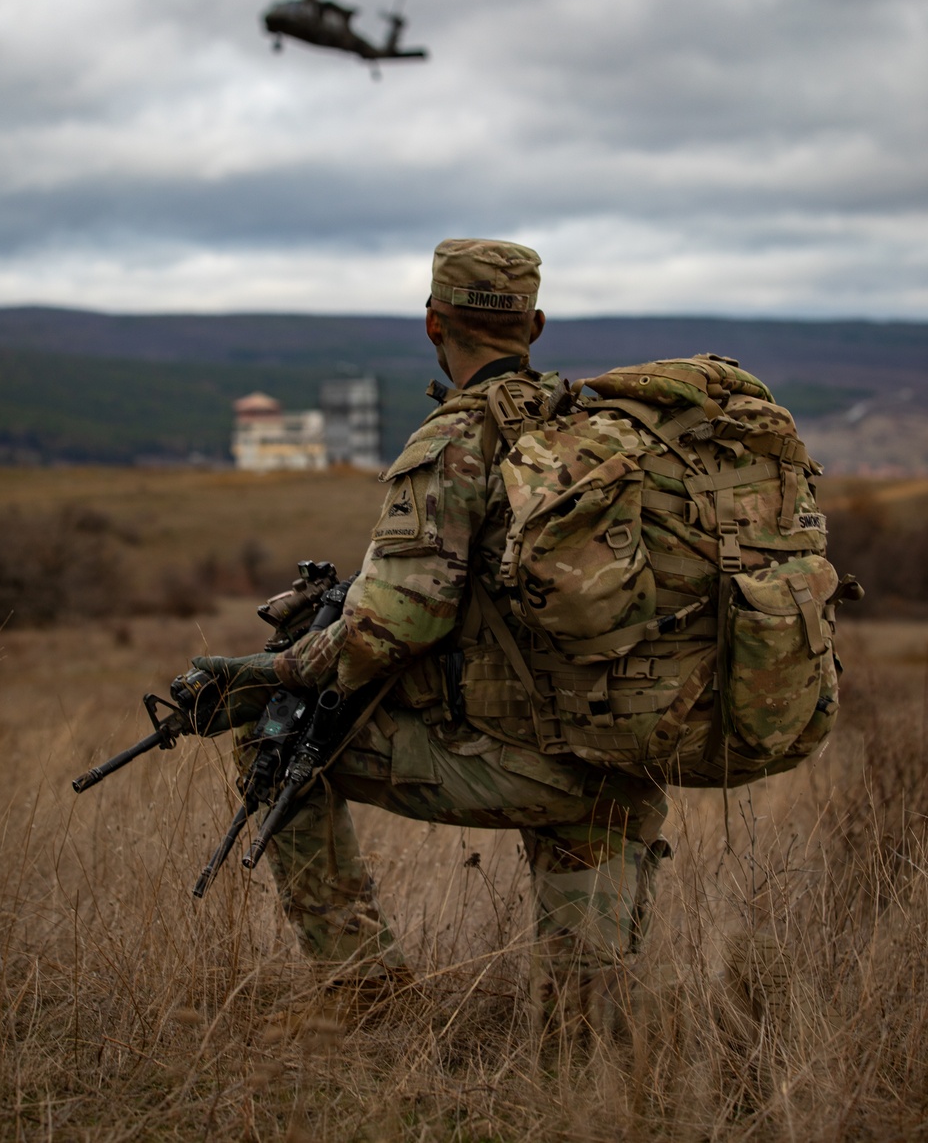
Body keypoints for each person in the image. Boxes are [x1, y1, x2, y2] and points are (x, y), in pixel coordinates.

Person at [193, 239, 669, 1038]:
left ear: (432, 324)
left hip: (522, 761)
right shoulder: (608, 434)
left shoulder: (455, 442)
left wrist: (265, 672)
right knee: (584, 1042)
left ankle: (365, 997)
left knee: (270, 738)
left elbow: (396, 625)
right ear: (537, 326)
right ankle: (589, 1045)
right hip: (626, 756)